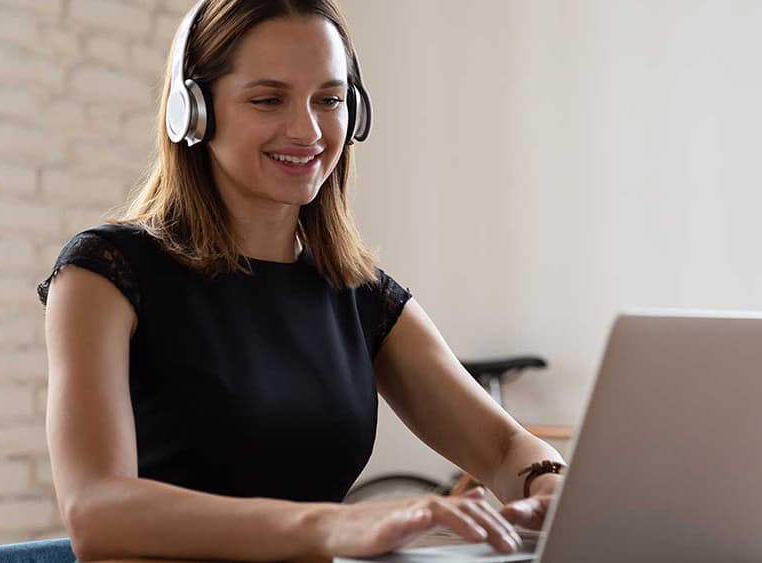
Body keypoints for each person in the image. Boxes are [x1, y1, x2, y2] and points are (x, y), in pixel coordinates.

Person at [38, 0, 566, 561]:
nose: (307, 130)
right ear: (193, 111)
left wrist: (549, 488)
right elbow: (97, 510)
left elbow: (503, 444)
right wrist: (331, 527)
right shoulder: (105, 273)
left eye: (330, 100)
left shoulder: (360, 295)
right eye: (269, 100)